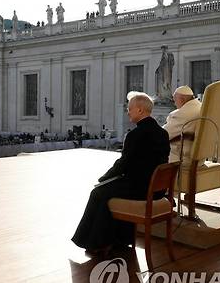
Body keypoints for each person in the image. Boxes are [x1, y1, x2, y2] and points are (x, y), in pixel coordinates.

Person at [72, 92, 169, 254]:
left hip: (140, 188)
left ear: (140, 110)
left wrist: (104, 178)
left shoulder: (135, 135)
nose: (128, 112)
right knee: (107, 190)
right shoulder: (163, 133)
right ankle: (121, 238)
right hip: (157, 189)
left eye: (130, 109)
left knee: (98, 193)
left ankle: (97, 242)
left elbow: (122, 164)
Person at [162, 86, 201, 165]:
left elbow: (164, 134)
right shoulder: (200, 106)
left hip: (182, 157)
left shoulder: (182, 113)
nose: (174, 103)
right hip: (200, 157)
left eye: (175, 100)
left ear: (182, 100)